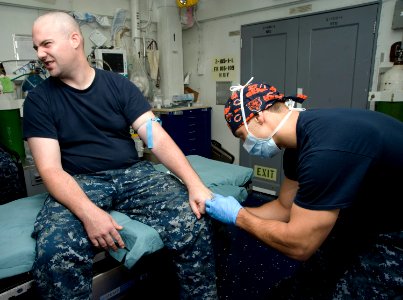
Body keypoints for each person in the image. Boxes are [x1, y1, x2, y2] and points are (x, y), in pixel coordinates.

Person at [23, 11, 217, 300]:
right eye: (36, 47)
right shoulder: (39, 99)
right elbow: (50, 169)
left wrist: (194, 183)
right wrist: (90, 214)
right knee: (55, 250)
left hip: (132, 174)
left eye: (46, 44)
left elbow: (155, 137)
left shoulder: (118, 86)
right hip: (80, 180)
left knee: (194, 219)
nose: (40, 53)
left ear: (74, 39)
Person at [206, 79, 403, 298]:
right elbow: (284, 207)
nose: (246, 145)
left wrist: (239, 217)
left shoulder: (325, 151)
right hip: (362, 209)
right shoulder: (298, 142)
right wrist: (227, 212)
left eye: (243, 136)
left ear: (259, 116)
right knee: (309, 281)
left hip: (394, 231)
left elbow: (299, 245)